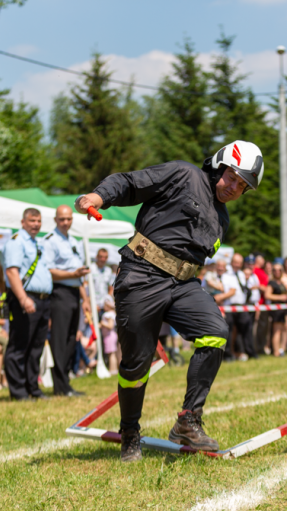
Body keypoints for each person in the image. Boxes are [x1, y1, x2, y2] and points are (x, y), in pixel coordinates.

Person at [76, 139, 264, 462]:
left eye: (242, 185)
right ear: (220, 165)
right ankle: (130, 433)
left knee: (215, 332)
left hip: (184, 284)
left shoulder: (223, 219)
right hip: (141, 275)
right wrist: (98, 196)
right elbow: (130, 183)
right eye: (231, 177)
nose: (233, 187)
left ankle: (188, 420)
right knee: (136, 365)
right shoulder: (183, 174)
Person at [3, 208, 54, 401]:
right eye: (32, 221)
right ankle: (18, 392)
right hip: (25, 298)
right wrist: (23, 299)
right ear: (23, 222)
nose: (36, 224)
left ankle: (33, 388)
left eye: (39, 221)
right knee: (19, 346)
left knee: (36, 347)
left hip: (42, 299)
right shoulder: (16, 242)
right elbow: (11, 272)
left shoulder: (35, 243)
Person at [42, 205, 92, 397]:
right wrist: (72, 274)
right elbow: (48, 272)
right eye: (62, 219)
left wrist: (85, 298)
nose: (65, 222)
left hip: (74, 292)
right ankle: (60, 386)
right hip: (59, 292)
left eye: (69, 219)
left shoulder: (74, 241)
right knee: (60, 340)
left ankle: (66, 383)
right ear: (55, 220)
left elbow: (79, 273)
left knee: (72, 338)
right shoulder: (49, 241)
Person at [223, 254, 257, 361]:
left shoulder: (242, 274)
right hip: (229, 306)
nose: (237, 265)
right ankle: (228, 355)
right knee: (229, 331)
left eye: (239, 263)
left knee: (247, 327)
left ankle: (250, 352)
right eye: (235, 262)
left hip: (241, 306)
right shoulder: (226, 275)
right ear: (232, 262)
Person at [265, 263, 287, 357]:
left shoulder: (281, 282)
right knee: (277, 331)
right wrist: (280, 297)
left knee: (282, 329)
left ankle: (279, 349)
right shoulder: (272, 283)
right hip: (276, 309)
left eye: (279, 270)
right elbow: (267, 295)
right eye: (275, 270)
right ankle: (275, 351)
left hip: (283, 309)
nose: (277, 272)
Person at [90, 249, 115, 315]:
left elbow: (111, 289)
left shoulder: (108, 270)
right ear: (96, 257)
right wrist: (91, 303)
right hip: (92, 305)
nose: (103, 259)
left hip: (104, 306)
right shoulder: (90, 268)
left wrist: (107, 301)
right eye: (101, 257)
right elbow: (85, 286)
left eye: (105, 257)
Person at [100, 295, 119, 375]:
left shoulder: (108, 314)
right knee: (112, 353)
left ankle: (113, 370)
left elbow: (110, 326)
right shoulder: (113, 313)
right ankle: (114, 369)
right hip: (111, 336)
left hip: (110, 336)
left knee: (111, 354)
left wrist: (102, 323)